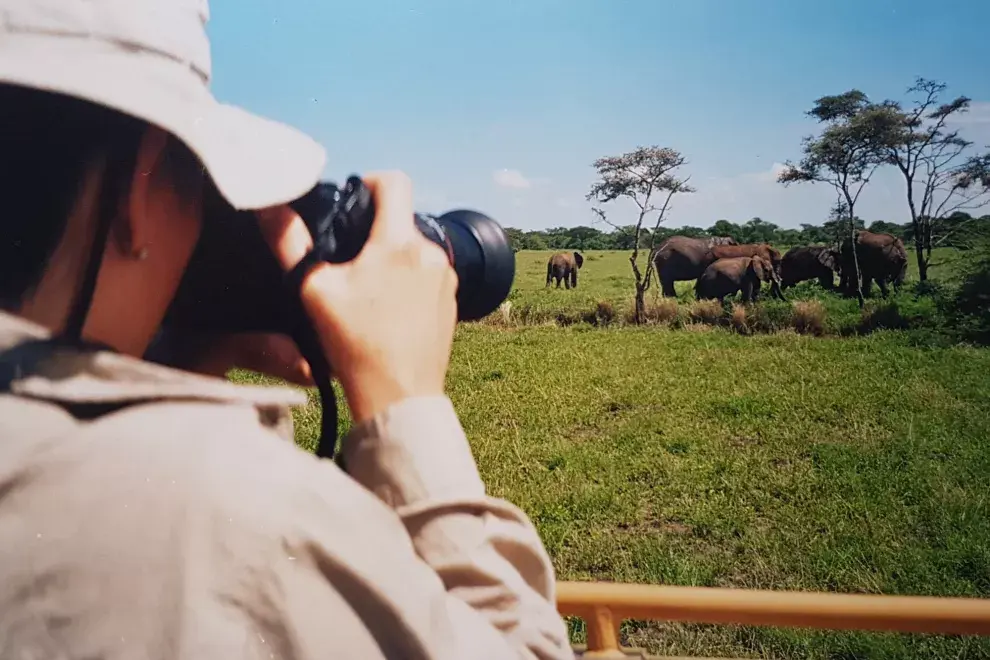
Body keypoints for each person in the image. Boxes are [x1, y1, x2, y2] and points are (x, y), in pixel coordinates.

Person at [0, 1, 574, 658]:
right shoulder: (239, 514)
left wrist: (170, 357)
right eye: (201, 187)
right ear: (142, 185)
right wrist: (407, 406)